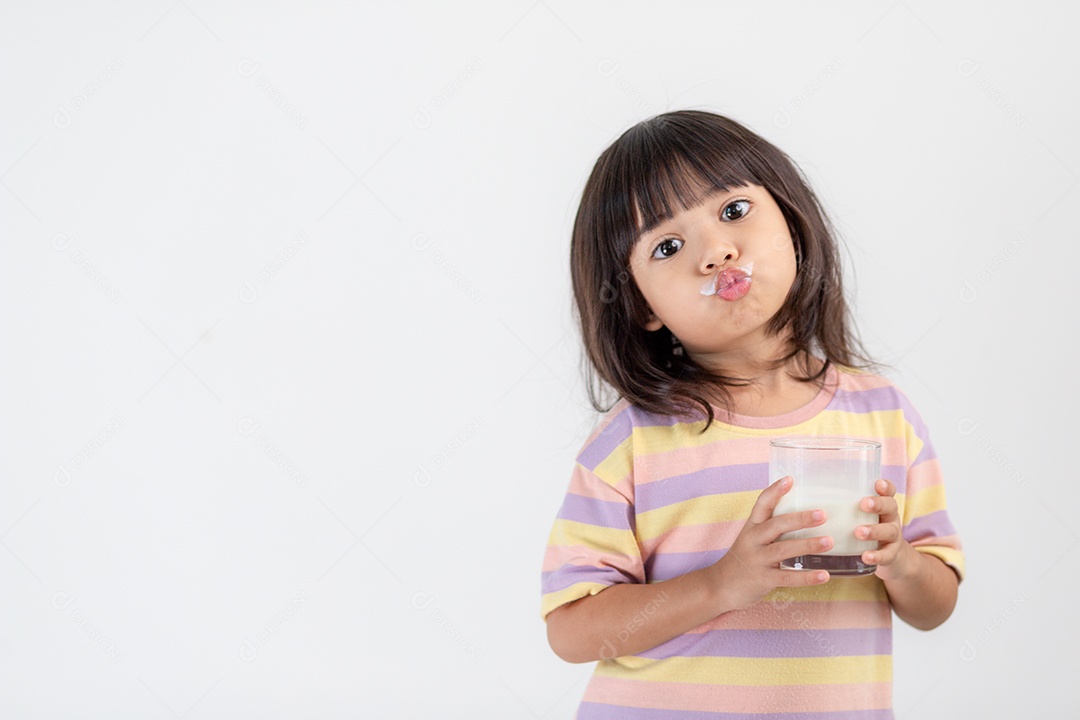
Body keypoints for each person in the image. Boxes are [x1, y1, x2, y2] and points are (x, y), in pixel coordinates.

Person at [540, 109, 964, 718]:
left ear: (790, 221)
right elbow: (573, 631)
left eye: (733, 211)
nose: (715, 252)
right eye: (667, 246)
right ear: (641, 306)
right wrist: (720, 584)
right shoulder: (631, 442)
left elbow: (936, 605)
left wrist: (899, 561)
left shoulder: (884, 416)